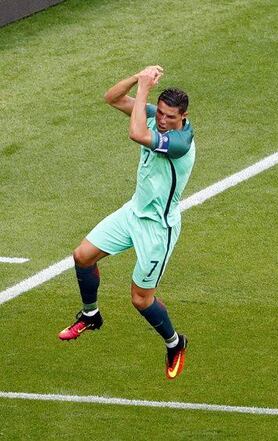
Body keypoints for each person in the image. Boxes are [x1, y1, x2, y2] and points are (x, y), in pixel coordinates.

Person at [58, 66, 196, 380]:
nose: (162, 119)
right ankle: (91, 315)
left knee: (140, 299)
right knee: (82, 256)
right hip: (133, 212)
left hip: (157, 229)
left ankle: (175, 343)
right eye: (159, 113)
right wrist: (138, 77)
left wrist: (145, 90)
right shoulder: (155, 116)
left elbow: (137, 134)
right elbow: (112, 97)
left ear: (184, 116)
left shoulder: (180, 142)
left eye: (169, 116)